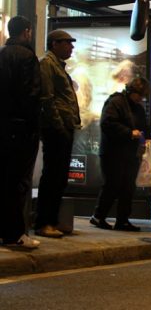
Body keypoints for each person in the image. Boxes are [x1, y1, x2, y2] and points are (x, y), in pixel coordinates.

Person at [0, 17, 43, 249]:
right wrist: (33, 125)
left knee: (4, 179)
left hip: (3, 127)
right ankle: (15, 233)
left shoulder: (1, 54)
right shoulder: (27, 57)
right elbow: (31, 96)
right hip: (21, 129)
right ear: (27, 32)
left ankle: (4, 231)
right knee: (18, 182)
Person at [35, 29, 81, 238]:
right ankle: (44, 223)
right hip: (56, 129)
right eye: (67, 43)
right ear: (55, 44)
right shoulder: (47, 64)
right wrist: (58, 126)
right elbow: (47, 98)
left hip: (64, 127)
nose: (71, 47)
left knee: (60, 177)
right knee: (52, 177)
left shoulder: (59, 66)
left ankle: (53, 221)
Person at [90, 76, 150, 231]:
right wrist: (130, 133)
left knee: (128, 187)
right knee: (112, 185)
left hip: (130, 154)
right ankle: (98, 216)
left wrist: (146, 139)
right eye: (140, 95)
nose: (141, 99)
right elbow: (107, 124)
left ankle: (122, 220)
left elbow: (144, 127)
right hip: (113, 153)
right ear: (132, 91)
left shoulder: (138, 107)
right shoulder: (116, 102)